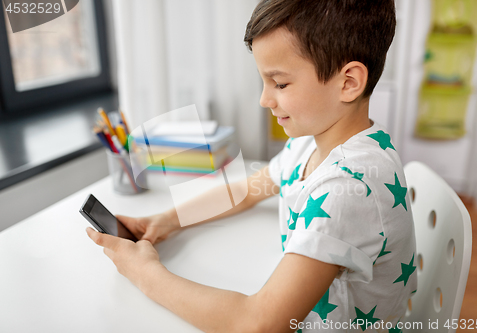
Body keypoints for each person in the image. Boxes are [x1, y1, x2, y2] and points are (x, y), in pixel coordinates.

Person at [87, 0, 417, 332]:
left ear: (348, 83)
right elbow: (246, 190)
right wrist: (167, 220)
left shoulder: (349, 188)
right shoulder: (308, 143)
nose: (264, 99)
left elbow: (258, 324)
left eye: (281, 83)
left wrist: (145, 273)